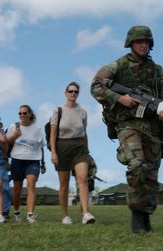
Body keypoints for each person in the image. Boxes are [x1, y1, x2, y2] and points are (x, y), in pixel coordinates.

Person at [90, 25, 163, 233]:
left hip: (152, 127)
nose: (143, 45)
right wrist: (119, 98)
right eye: (139, 41)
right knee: (137, 164)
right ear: (131, 43)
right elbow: (96, 85)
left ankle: (146, 216)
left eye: (146, 42)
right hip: (128, 124)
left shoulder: (157, 71)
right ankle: (137, 215)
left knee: (152, 176)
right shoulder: (118, 65)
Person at [50, 82, 95, 225]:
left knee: (82, 179)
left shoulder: (83, 112)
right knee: (64, 184)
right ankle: (65, 216)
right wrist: (53, 153)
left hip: (80, 147)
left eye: (76, 92)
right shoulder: (57, 111)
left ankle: (86, 213)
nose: (73, 94)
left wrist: (87, 152)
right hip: (62, 147)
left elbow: (85, 133)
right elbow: (53, 134)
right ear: (65, 93)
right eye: (71, 91)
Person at [6, 105, 45, 224]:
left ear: (30, 115)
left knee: (31, 185)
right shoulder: (14, 126)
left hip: (33, 160)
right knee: (17, 189)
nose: (22, 116)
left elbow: (41, 147)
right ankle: (17, 212)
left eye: (24, 113)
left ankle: (30, 214)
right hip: (17, 160)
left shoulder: (37, 129)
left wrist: (43, 162)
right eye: (20, 113)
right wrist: (14, 135)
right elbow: (6, 143)